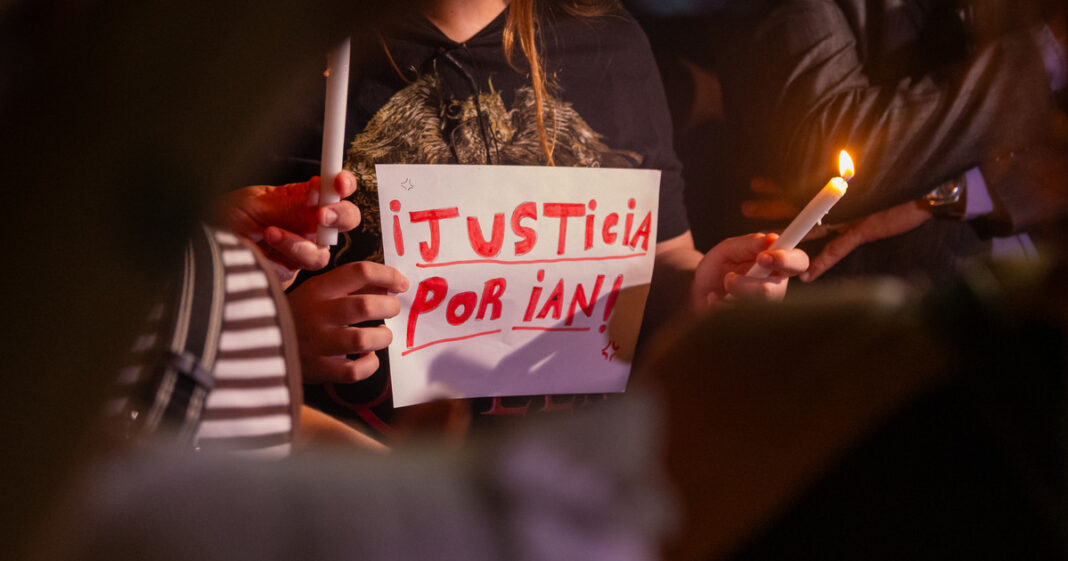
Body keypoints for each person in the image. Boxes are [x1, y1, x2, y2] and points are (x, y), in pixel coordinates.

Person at [247, 0, 809, 439]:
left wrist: (708, 288)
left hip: (558, 494)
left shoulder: (609, 44)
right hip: (359, 495)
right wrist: (269, 339)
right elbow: (199, 290)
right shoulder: (270, 63)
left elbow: (660, 258)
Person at [716, 0, 1068, 283]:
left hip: (1028, 281)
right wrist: (1046, 55)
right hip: (883, 306)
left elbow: (1054, 156)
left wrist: (946, 193)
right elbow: (827, 159)